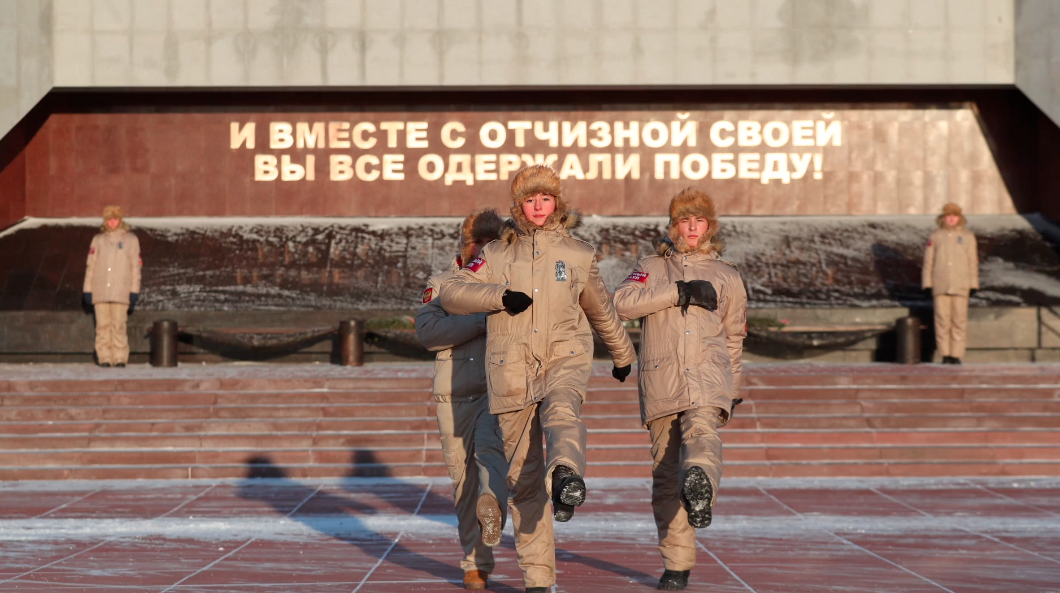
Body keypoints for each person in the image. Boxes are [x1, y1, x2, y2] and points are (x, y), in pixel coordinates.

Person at [439, 165, 636, 593]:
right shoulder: (496, 255)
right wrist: (498, 297)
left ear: (556, 202)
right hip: (511, 370)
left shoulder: (578, 254)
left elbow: (600, 307)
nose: (539, 206)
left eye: (545, 198)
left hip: (564, 357)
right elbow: (451, 292)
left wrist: (622, 353)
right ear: (519, 206)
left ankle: (565, 474)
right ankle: (538, 579)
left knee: (562, 412)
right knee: (524, 483)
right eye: (531, 200)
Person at [613, 188, 747, 591]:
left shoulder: (727, 275)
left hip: (708, 377)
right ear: (673, 226)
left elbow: (734, 336)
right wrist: (678, 292)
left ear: (710, 226)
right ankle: (676, 565)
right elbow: (621, 303)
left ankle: (701, 485)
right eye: (685, 221)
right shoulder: (650, 266)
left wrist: (734, 387)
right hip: (662, 380)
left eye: (699, 220)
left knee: (701, 436)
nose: (692, 228)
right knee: (667, 478)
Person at [415, 209, 509, 591]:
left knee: (490, 460)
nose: (483, 249)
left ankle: (492, 509)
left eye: (492, 242)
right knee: (462, 482)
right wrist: (482, 321)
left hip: (496, 392)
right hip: (452, 396)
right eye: (478, 242)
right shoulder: (441, 284)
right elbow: (428, 332)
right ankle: (475, 565)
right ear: (466, 245)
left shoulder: (508, 285)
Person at [83, 205, 141, 368]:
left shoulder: (131, 240)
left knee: (119, 326)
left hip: (121, 291)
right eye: (109, 219)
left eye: (115, 219)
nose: (112, 222)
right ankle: (105, 357)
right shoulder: (98, 240)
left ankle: (120, 357)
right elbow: (91, 266)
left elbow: (135, 268)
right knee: (102, 327)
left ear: (120, 220)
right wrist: (87, 290)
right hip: (100, 291)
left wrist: (134, 291)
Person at [922, 202, 979, 365]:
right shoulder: (935, 236)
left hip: (961, 285)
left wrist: (973, 284)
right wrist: (927, 283)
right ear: (943, 218)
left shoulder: (968, 236)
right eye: (948, 216)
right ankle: (945, 354)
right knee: (942, 321)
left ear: (959, 217)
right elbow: (928, 261)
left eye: (954, 216)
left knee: (959, 321)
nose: (951, 219)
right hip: (941, 285)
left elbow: (972, 262)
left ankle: (956, 354)